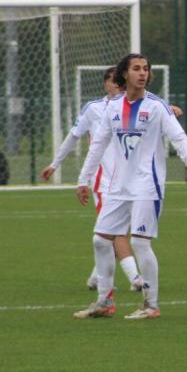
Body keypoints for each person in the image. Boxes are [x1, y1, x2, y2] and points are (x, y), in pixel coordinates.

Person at [73, 53, 187, 320]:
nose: (143, 73)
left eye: (146, 68)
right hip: (118, 186)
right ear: (125, 74)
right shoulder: (113, 107)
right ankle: (104, 301)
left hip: (148, 184)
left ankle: (151, 305)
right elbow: (98, 144)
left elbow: (178, 136)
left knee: (139, 242)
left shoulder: (157, 106)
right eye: (136, 68)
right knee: (100, 240)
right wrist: (83, 179)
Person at [41, 67, 143, 293]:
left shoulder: (135, 107)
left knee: (113, 233)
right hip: (103, 181)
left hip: (129, 181)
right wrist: (55, 164)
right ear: (106, 84)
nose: (117, 85)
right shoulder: (94, 109)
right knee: (118, 232)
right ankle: (135, 278)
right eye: (113, 81)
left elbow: (155, 111)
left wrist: (169, 109)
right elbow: (73, 137)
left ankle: (97, 277)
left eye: (120, 81)